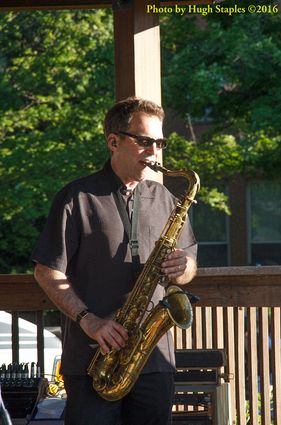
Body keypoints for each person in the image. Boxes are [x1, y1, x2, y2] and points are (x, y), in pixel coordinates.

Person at [32, 97, 197, 425]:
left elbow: (190, 262)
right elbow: (46, 270)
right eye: (145, 142)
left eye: (159, 143)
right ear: (113, 141)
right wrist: (90, 320)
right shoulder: (76, 197)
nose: (154, 152)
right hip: (94, 358)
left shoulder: (165, 198)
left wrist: (185, 268)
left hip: (154, 359)